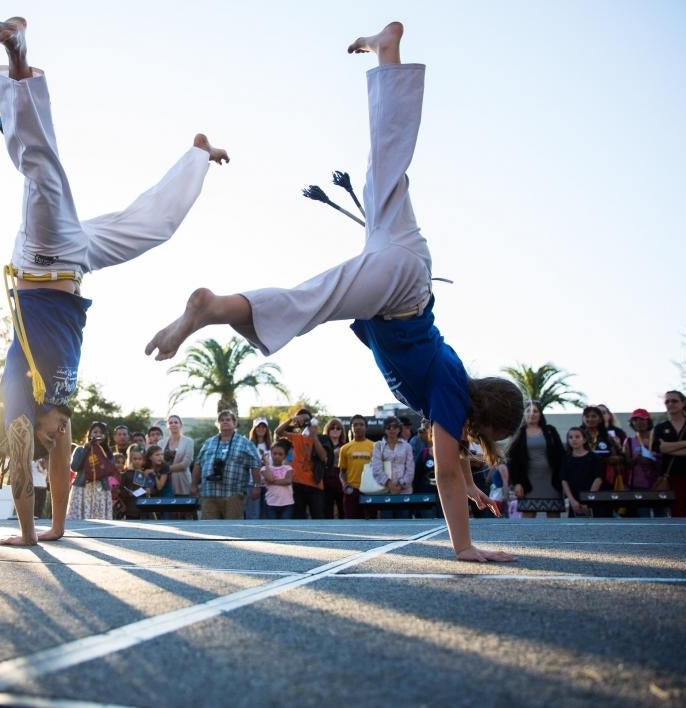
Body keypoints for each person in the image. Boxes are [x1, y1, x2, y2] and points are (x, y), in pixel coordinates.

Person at [145, 22, 523, 561]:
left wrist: (473, 485)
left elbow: (455, 458)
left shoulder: (455, 385)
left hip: (407, 261)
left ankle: (387, 56)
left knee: (385, 167)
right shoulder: (450, 395)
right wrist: (463, 546)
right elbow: (444, 466)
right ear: (485, 423)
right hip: (397, 294)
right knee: (309, 302)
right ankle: (214, 308)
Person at [0, 17, 228, 546]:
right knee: (150, 227)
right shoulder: (62, 404)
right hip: (72, 258)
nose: (58, 442)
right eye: (57, 443)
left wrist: (31, 534)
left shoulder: (27, 409)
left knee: (42, 172)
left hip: (43, 259)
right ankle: (199, 155)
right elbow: (57, 460)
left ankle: (20, 64)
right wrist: (57, 526)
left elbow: (22, 468)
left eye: (53, 442)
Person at [193, 410, 260, 520]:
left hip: (233, 494)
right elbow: (198, 463)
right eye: (221, 420)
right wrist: (194, 485)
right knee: (209, 530)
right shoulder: (209, 442)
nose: (225, 422)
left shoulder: (245, 443)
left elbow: (255, 465)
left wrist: (257, 487)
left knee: (233, 530)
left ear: (234, 423)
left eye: (228, 419)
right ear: (217, 424)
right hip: (209, 494)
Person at [506, 402, 565, 518]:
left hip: (551, 482)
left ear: (540, 414)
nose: (532, 414)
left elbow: (561, 456)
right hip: (527, 483)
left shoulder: (550, 431)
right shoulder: (518, 433)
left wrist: (562, 479)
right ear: (523, 414)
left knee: (554, 517)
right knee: (528, 516)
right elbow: (513, 461)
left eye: (535, 411)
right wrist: (517, 483)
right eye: (528, 411)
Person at [275, 409, 329, 519]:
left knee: (318, 518)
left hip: (315, 485)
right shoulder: (296, 437)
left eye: (306, 419)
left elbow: (324, 457)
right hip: (297, 484)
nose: (303, 421)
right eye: (301, 419)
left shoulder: (322, 438)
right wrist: (291, 419)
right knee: (299, 519)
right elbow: (278, 432)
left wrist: (314, 437)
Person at [68, 422, 117, 521]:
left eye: (101, 432)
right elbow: (74, 467)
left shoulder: (107, 452)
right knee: (79, 521)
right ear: (89, 434)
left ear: (105, 436)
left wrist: (100, 451)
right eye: (95, 432)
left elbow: (109, 470)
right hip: (83, 488)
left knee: (99, 522)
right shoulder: (80, 449)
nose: (97, 434)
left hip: (101, 489)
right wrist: (87, 448)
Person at [370, 416, 415, 518]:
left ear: (399, 429)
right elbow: (376, 468)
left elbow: (410, 469)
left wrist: (400, 485)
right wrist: (390, 485)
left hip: (404, 491)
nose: (392, 429)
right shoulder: (378, 446)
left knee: (404, 526)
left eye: (395, 426)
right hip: (384, 491)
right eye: (388, 427)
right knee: (386, 526)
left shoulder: (407, 446)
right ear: (384, 429)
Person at [624, 408, 663, 517]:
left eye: (642, 419)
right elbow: (627, 464)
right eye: (635, 420)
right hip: (638, 485)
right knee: (643, 517)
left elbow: (665, 462)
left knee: (662, 518)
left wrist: (652, 460)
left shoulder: (657, 439)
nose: (638, 423)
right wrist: (636, 459)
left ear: (648, 421)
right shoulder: (629, 441)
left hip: (657, 484)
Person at [339, 414, 376, 519]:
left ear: (366, 427)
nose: (358, 427)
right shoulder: (345, 448)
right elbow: (342, 471)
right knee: (352, 524)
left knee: (372, 523)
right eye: (355, 425)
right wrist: (344, 484)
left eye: (361, 425)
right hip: (352, 490)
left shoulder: (375, 446)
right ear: (351, 428)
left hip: (370, 490)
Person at [561, 428, 603, 518]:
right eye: (570, 437)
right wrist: (572, 500)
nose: (574, 439)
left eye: (577, 437)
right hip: (574, 501)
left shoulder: (593, 458)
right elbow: (564, 480)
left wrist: (588, 500)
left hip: (592, 501)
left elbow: (598, 479)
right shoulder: (566, 459)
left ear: (584, 440)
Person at [163, 415, 195, 498]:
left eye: (176, 422)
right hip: (163, 482)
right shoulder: (161, 443)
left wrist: (165, 469)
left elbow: (185, 464)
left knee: (183, 509)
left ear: (180, 425)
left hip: (182, 481)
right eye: (170, 422)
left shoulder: (189, 442)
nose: (173, 424)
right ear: (167, 426)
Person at [321, 418, 348, 519]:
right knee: (327, 513)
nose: (335, 430)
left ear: (342, 431)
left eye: (338, 428)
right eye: (332, 428)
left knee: (343, 511)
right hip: (326, 482)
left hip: (341, 482)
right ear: (327, 430)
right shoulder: (322, 445)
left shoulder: (346, 446)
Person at [262, 440, 295, 519]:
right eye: (274, 453)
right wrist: (266, 463)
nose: (277, 456)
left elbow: (288, 481)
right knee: (272, 527)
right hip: (271, 503)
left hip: (287, 503)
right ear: (270, 454)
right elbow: (270, 478)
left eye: (280, 454)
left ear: (284, 456)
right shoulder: (264, 469)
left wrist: (272, 482)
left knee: (285, 526)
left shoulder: (288, 468)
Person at [248, 417, 273, 518]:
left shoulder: (272, 446)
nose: (261, 428)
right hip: (252, 484)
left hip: (268, 485)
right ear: (254, 429)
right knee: (253, 516)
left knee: (266, 516)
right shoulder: (249, 445)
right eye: (258, 426)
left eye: (264, 426)